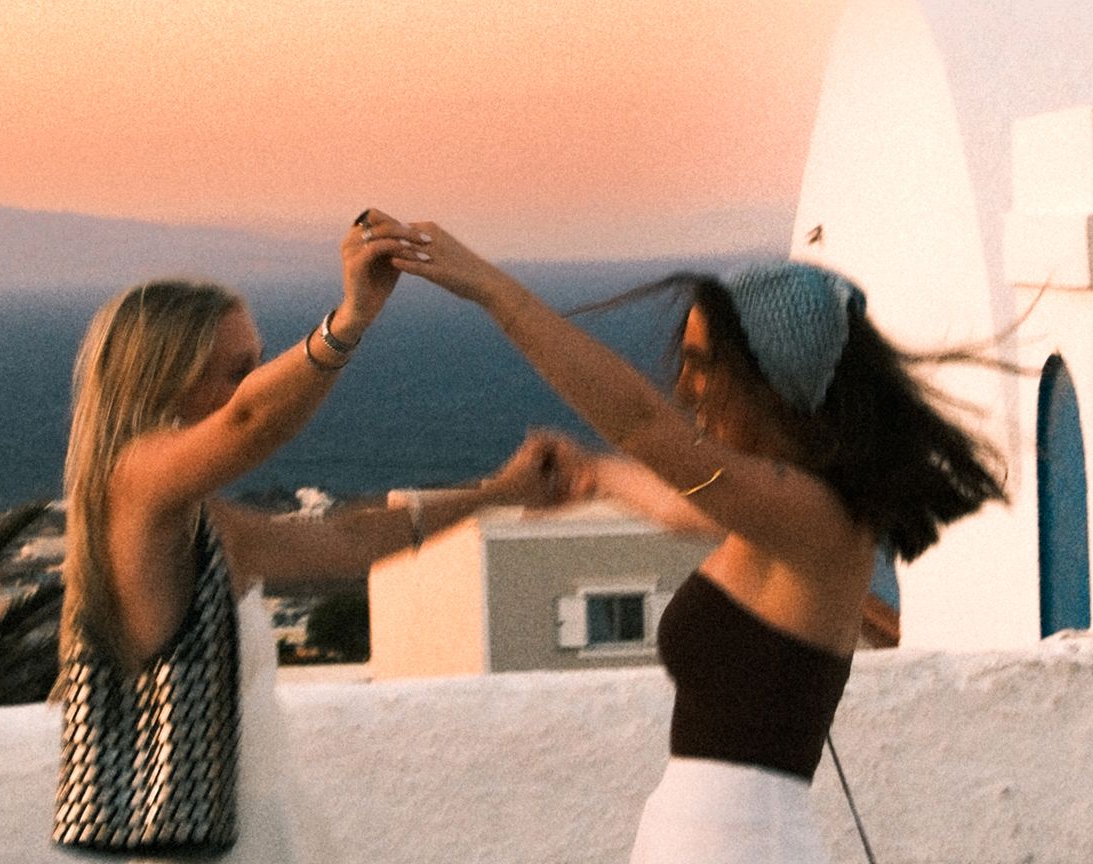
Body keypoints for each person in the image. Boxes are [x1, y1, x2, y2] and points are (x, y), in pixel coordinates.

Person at [393, 223, 1007, 864]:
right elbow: (678, 502)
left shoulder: (813, 513)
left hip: (746, 843)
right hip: (707, 838)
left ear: (768, 377)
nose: (685, 389)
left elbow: (643, 426)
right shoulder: (777, 511)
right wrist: (593, 475)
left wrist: (491, 289)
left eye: (702, 364)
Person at [51, 209, 567, 861]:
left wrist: (500, 492)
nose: (255, 381)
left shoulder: (199, 524)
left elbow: (346, 542)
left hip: (255, 832)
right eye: (237, 369)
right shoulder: (131, 481)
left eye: (259, 363)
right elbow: (251, 421)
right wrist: (349, 321)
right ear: (166, 380)